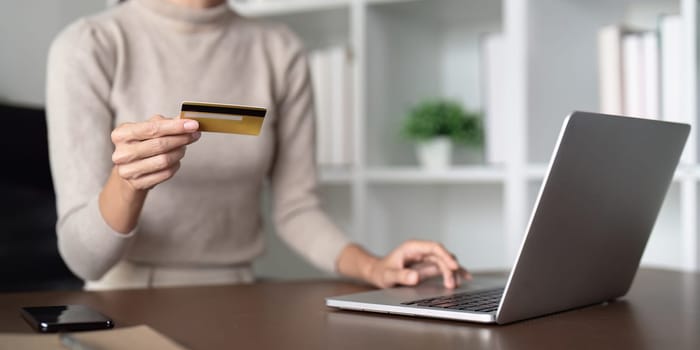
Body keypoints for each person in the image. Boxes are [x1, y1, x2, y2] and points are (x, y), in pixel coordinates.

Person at [46, 0, 469, 290]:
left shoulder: (278, 49)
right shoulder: (89, 46)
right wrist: (128, 183)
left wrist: (374, 266)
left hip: (240, 294)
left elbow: (297, 209)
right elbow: (84, 259)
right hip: (125, 300)